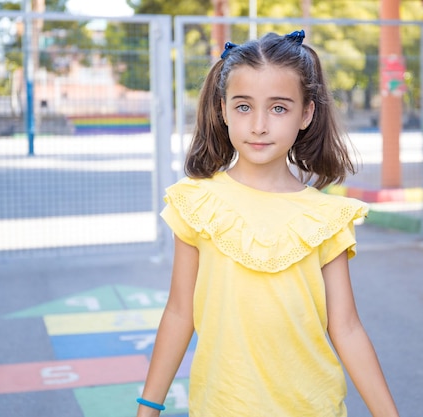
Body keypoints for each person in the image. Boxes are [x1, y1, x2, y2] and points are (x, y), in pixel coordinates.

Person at [136, 29, 399, 417]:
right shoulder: (196, 203)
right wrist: (148, 407)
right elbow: (179, 312)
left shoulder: (326, 217)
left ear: (306, 113)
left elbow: (346, 328)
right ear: (223, 109)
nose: (259, 125)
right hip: (221, 407)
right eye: (244, 107)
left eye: (278, 108)